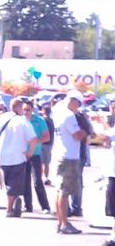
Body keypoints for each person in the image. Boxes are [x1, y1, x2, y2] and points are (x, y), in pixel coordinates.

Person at [0, 97, 38, 218]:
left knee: (8, 183)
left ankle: (14, 203)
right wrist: (30, 152)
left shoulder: (1, 117)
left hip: (2, 157)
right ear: (20, 108)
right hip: (17, 156)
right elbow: (33, 139)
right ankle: (9, 208)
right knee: (14, 183)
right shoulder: (23, 121)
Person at [52, 90, 88, 234]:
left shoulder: (58, 113)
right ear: (74, 101)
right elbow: (78, 135)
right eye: (78, 104)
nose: (78, 107)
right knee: (65, 192)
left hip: (60, 154)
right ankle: (65, 224)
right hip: (69, 156)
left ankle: (60, 221)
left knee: (60, 190)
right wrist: (86, 130)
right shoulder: (69, 116)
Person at [22, 100, 51, 214]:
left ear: (32, 110)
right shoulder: (20, 121)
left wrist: (35, 142)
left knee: (37, 181)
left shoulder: (39, 121)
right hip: (23, 155)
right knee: (25, 181)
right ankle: (27, 205)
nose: (25, 112)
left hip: (35, 155)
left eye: (28, 110)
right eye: (23, 110)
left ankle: (45, 206)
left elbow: (46, 137)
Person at [70, 111, 93, 217]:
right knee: (73, 181)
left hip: (79, 154)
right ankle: (74, 206)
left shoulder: (79, 117)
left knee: (76, 181)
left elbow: (87, 133)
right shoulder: (68, 116)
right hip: (73, 154)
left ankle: (76, 207)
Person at [40, 103, 55, 186]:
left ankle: (40, 178)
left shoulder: (43, 120)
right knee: (46, 163)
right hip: (49, 144)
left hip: (42, 143)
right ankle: (46, 178)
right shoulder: (51, 120)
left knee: (41, 162)